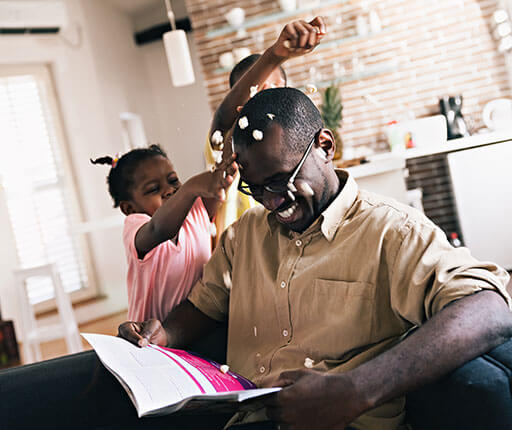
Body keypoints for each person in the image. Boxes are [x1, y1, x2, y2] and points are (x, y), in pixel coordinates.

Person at [119, 88, 512, 429]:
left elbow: (491, 308)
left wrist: (356, 390)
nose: (274, 203)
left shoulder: (391, 232)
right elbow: (204, 305)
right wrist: (164, 334)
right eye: (256, 190)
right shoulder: (247, 235)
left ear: (325, 146)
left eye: (281, 182)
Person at [205, 17, 326, 240]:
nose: (263, 99)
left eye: (273, 89)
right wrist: (274, 55)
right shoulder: (229, 143)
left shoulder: (300, 142)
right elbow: (222, 119)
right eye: (255, 92)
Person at [91, 144, 237, 322]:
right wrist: (189, 188)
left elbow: (225, 171)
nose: (170, 190)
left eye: (174, 181)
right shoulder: (137, 226)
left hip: (195, 326)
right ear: (129, 208)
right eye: (153, 189)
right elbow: (160, 229)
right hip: (147, 342)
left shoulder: (197, 210)